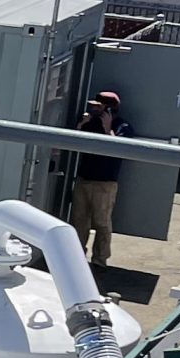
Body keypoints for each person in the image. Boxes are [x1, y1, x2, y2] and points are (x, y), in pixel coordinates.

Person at [73, 89, 132, 268]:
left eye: (99, 107)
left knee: (102, 222)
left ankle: (100, 259)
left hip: (105, 182)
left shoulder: (122, 126)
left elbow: (121, 148)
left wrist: (108, 129)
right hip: (84, 178)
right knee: (79, 220)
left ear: (109, 110)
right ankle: (75, 255)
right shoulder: (90, 123)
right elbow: (73, 141)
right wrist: (82, 125)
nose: (95, 110)